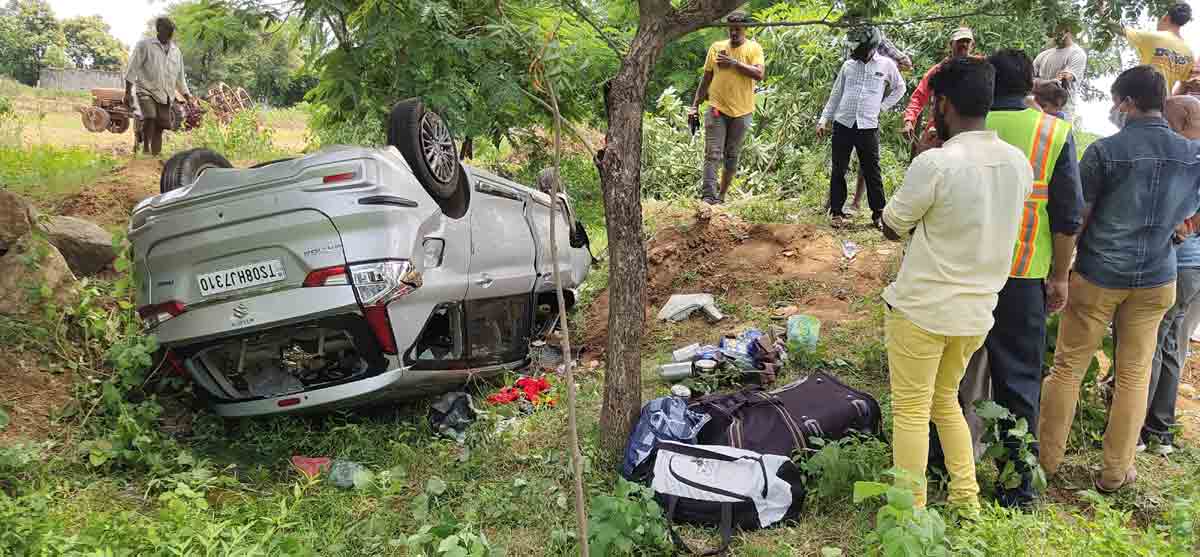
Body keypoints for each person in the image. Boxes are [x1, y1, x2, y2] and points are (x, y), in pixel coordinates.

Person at [880, 56, 1032, 512]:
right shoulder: (1017, 163)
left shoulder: (937, 164)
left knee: (910, 410)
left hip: (922, 310)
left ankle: (910, 515)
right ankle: (966, 499)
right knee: (945, 400)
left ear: (942, 105)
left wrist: (919, 159)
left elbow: (892, 223)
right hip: (976, 313)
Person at [1039, 66, 1200, 494]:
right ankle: (1115, 473)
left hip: (1099, 275)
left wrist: (1061, 272)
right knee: (1134, 373)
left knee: (1068, 368)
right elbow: (1191, 213)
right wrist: (1183, 228)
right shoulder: (1191, 154)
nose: (1113, 108)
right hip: (1157, 278)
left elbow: (1079, 218)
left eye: (1116, 100)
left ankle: (1046, 462)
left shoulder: (1105, 152)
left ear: (1127, 103)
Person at [972, 49, 1083, 508]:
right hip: (1023, 275)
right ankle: (1017, 487)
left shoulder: (966, 125)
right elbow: (1067, 217)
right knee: (1018, 380)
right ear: (1031, 85)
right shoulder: (1054, 133)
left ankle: (940, 463)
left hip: (965, 273)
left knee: (950, 375)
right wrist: (1060, 277)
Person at [1136, 94, 1200, 456]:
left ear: (1184, 118)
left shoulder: (1191, 154)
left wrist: (1186, 225)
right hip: (1193, 267)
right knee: (1173, 343)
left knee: (1153, 343)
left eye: (1169, 119)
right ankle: (1160, 430)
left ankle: (1138, 432)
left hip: (1181, 262)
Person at [817, 26, 906, 228]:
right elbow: (836, 94)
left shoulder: (886, 65)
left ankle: (878, 214)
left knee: (871, 169)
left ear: (871, 48)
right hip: (843, 123)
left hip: (868, 125)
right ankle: (837, 212)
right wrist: (823, 119)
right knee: (839, 168)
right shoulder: (848, 66)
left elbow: (900, 87)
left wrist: (882, 107)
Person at [690, 11, 765, 205]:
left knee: (732, 155)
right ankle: (708, 197)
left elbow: (759, 74)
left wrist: (734, 63)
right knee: (713, 152)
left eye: (738, 29)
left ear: (745, 29)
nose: (734, 33)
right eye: (731, 29)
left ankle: (721, 195)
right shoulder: (716, 48)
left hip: (742, 112)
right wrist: (694, 105)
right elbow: (706, 78)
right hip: (716, 108)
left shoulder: (754, 48)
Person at [844, 23, 913, 215]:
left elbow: (906, 64)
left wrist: (883, 70)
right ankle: (834, 203)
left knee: (866, 158)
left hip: (869, 109)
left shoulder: (879, 40)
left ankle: (857, 202)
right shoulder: (849, 39)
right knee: (840, 158)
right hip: (849, 102)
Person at [902, 27, 976, 156]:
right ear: (950, 44)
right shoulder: (938, 70)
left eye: (967, 41)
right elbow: (918, 97)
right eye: (959, 41)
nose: (963, 44)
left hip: (967, 130)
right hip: (939, 130)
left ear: (972, 45)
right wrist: (909, 120)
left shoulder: (979, 69)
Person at [125, 17, 192, 156]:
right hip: (145, 90)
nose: (170, 34)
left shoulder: (176, 52)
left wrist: (187, 96)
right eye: (168, 31)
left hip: (165, 94)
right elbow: (132, 68)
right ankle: (146, 149)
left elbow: (180, 78)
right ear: (159, 29)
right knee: (150, 116)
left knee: (161, 125)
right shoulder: (145, 45)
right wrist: (127, 92)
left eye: (172, 32)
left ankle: (155, 155)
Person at [1108, 3, 1194, 95]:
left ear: (1166, 17)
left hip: (1139, 99)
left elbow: (1117, 28)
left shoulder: (1153, 38)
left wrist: (1102, 8)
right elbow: (1185, 86)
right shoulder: (1189, 53)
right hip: (1162, 105)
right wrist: (1169, 100)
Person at [1033, 20, 1088, 119]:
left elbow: (1065, 79)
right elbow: (1029, 78)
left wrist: (1062, 77)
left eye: (1057, 32)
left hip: (1061, 110)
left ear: (1067, 31)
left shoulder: (1077, 53)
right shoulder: (1044, 54)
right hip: (1038, 108)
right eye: (1051, 33)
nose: (1053, 35)